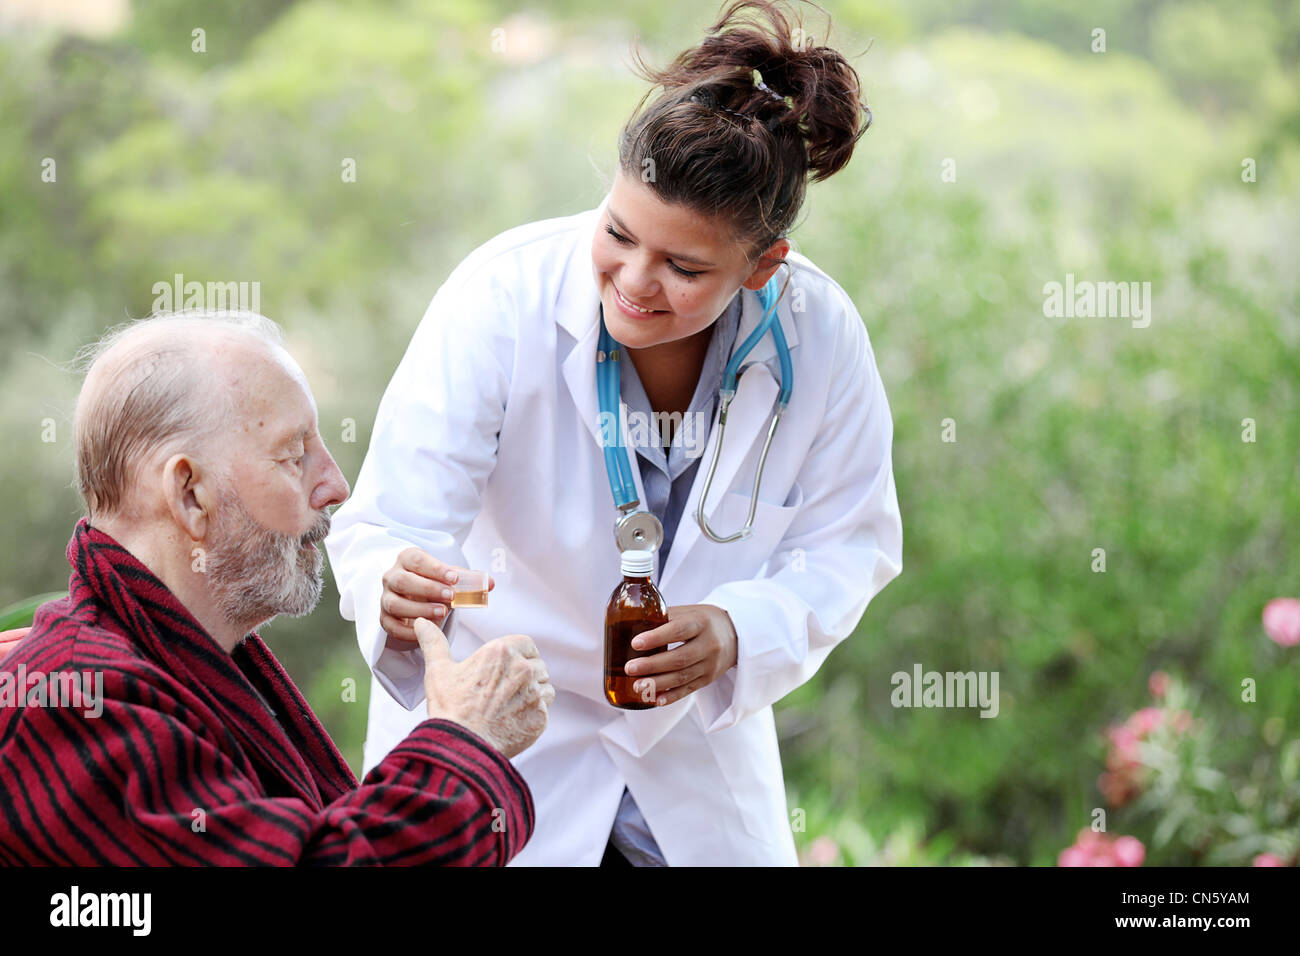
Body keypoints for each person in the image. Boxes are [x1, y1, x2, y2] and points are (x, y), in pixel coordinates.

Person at [326, 0, 902, 866]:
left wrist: (738, 632)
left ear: (762, 265)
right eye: (618, 234)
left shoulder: (818, 332)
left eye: (685, 266)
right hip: (507, 749)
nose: (634, 281)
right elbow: (389, 526)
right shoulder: (500, 301)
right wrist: (389, 584)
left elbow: (850, 544)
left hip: (692, 767)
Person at [0, 311, 553, 866]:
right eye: (294, 455)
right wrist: (466, 742)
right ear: (190, 493)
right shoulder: (75, 701)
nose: (335, 486)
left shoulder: (181, 664)